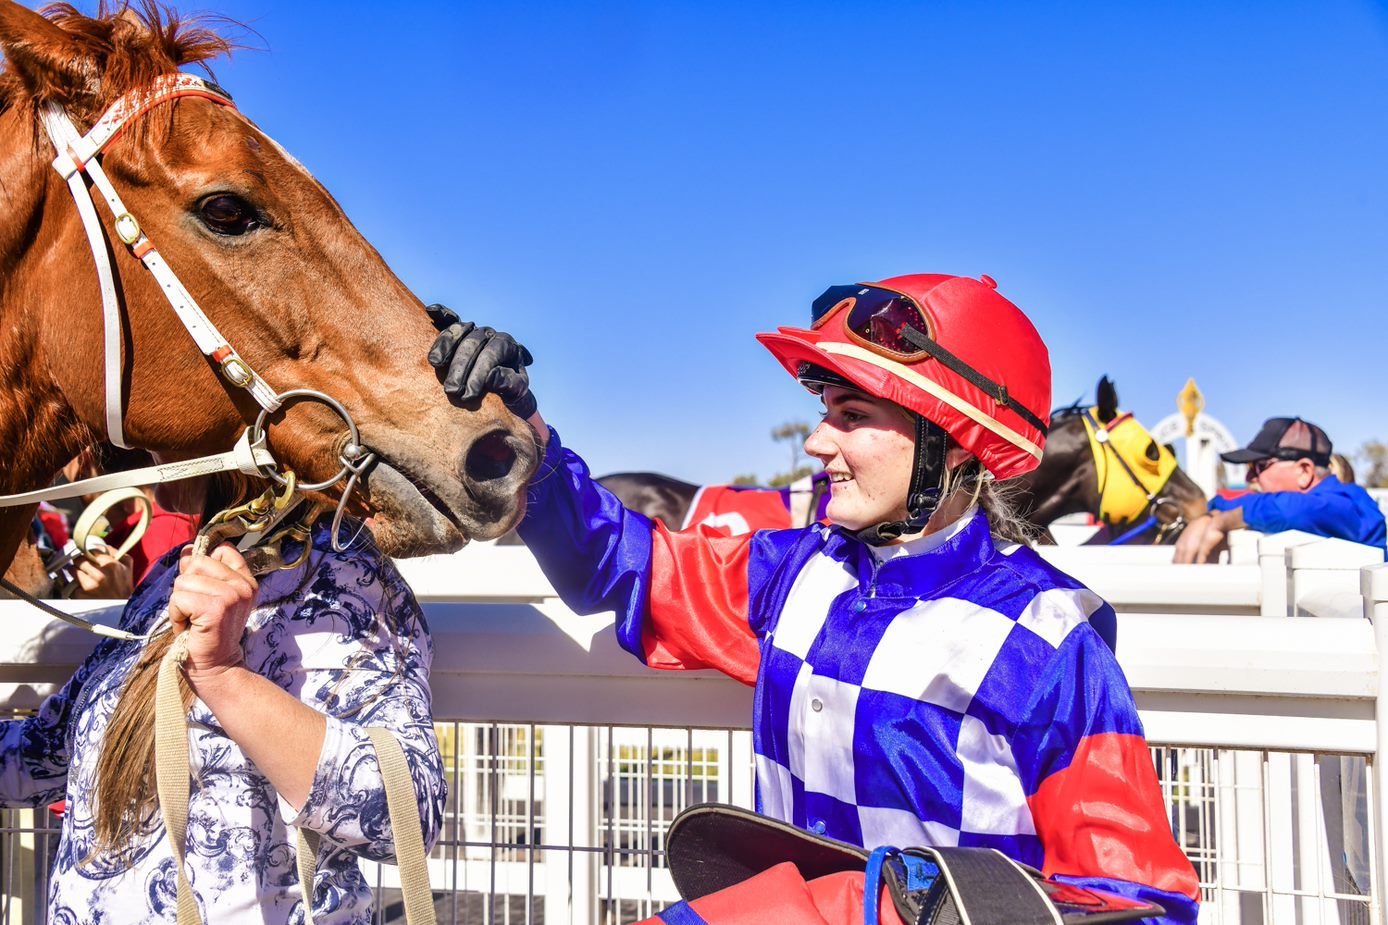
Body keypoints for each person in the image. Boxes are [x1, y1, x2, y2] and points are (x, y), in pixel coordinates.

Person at [429, 274, 1200, 923]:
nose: (817, 443)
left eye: (852, 417)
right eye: (826, 411)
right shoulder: (793, 571)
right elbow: (615, 562)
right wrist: (517, 427)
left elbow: (1138, 902)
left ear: (956, 442)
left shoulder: (1053, 642)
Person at [0, 474, 443, 923]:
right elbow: (46, 756)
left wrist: (223, 675)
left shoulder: (345, 574)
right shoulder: (172, 571)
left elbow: (407, 813)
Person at [1176, 417, 1387, 563]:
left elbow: (1295, 510)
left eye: (1258, 467)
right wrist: (1207, 515)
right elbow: (1225, 502)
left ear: (1304, 471)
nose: (1250, 477)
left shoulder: (1350, 503)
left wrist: (1223, 519)